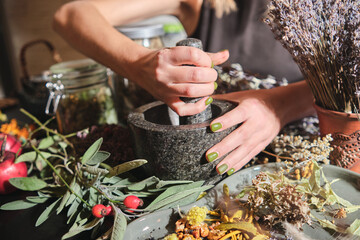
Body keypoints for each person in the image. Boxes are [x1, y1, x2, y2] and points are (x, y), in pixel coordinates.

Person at [52, 0, 315, 176]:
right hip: (215, 169)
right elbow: (70, 14)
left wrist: (279, 105)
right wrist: (138, 62)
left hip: (310, 159)